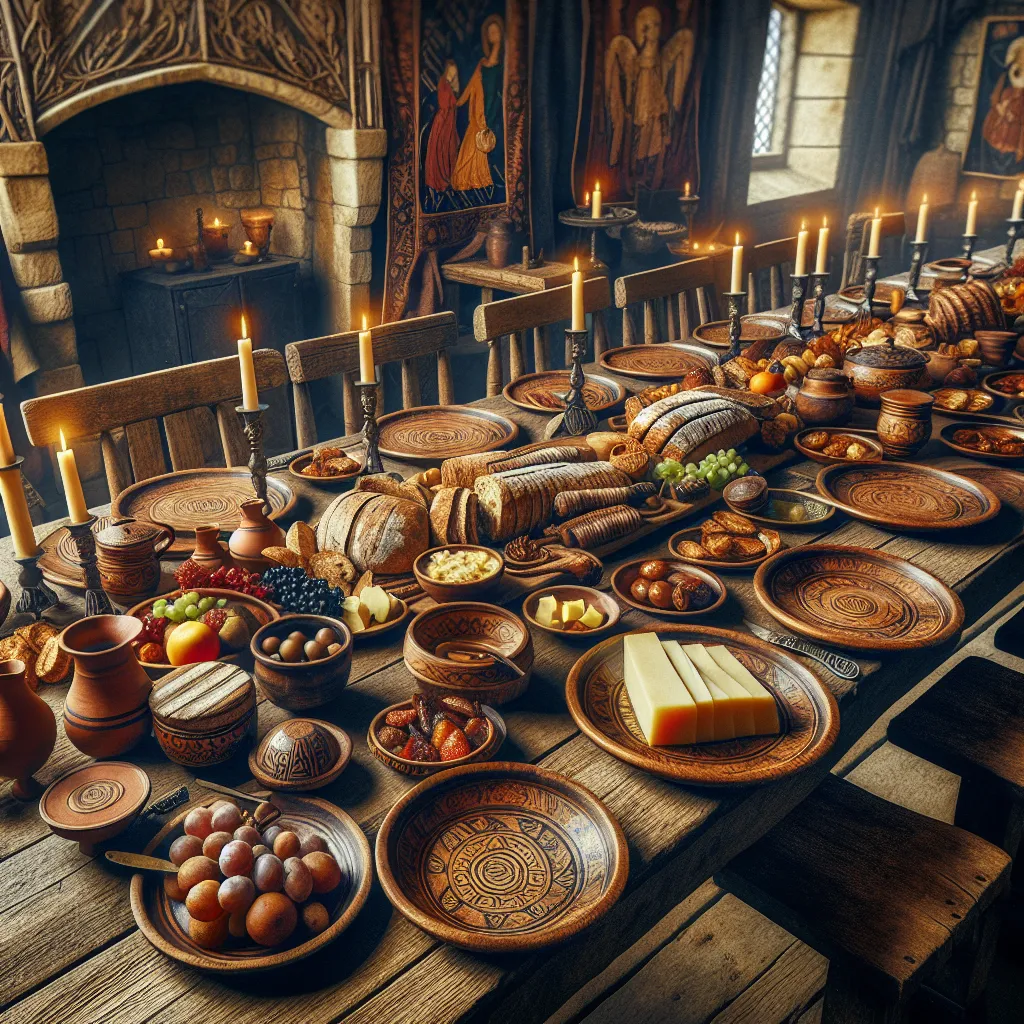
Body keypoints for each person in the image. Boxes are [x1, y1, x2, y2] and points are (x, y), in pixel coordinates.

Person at [450, 15, 504, 192]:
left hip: (491, 112)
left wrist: (491, 114)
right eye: (489, 33)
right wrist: (458, 103)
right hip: (477, 112)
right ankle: (469, 182)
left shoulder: (504, 66)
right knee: (467, 148)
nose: (492, 36)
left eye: (495, 32)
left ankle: (480, 181)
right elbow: (472, 87)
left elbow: (499, 93)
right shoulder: (482, 64)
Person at [424, 60, 460, 193]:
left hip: (449, 121)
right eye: (451, 71)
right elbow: (446, 104)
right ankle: (439, 180)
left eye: (454, 72)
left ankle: (448, 178)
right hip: (443, 121)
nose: (452, 73)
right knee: (440, 150)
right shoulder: (443, 83)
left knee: (449, 150)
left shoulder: (450, 85)